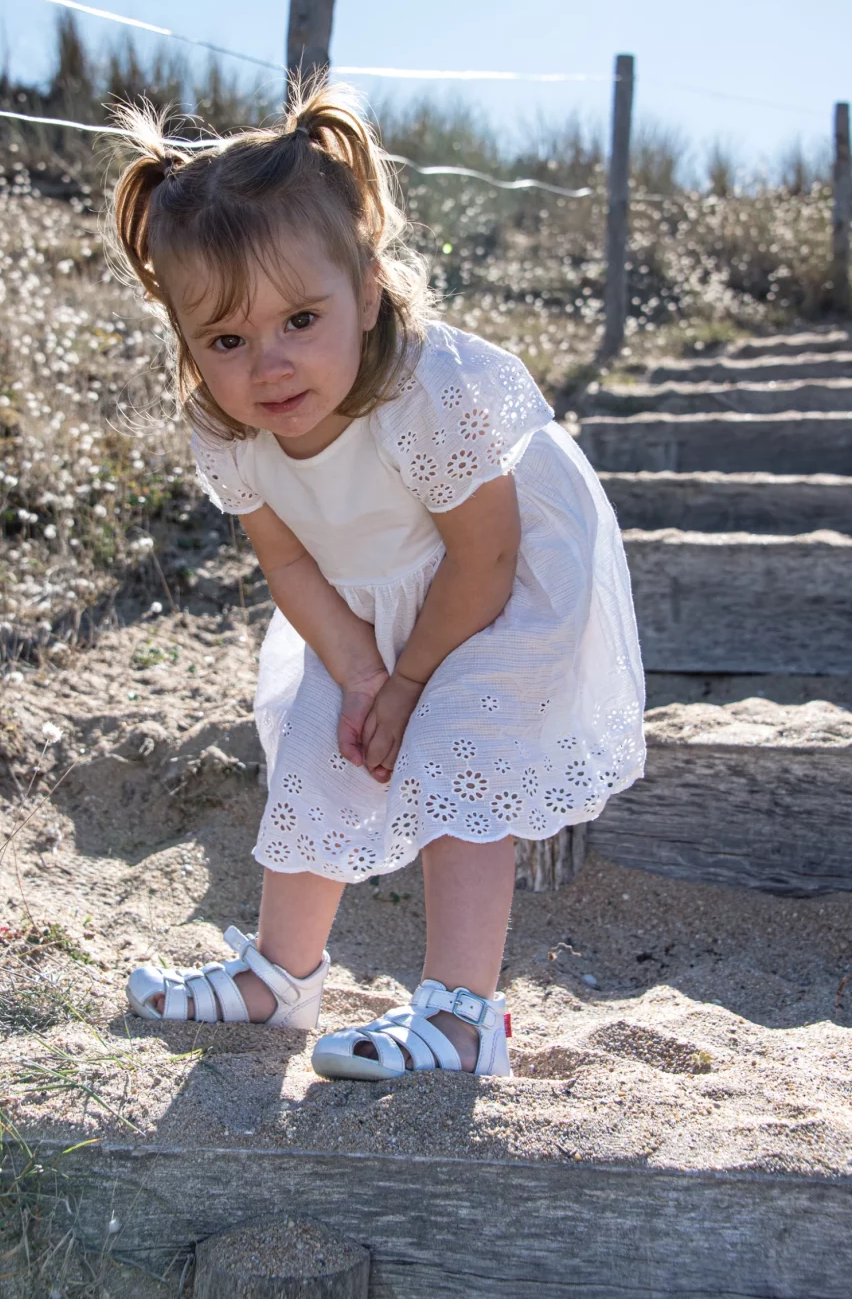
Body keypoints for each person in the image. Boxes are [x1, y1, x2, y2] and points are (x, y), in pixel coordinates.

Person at [116, 85, 645, 1079]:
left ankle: (461, 1017)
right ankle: (280, 977)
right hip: (365, 596)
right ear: (184, 341)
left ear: (364, 291)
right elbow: (285, 559)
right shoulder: (226, 427)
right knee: (319, 750)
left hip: (498, 581)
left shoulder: (417, 390)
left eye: (300, 319)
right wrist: (361, 674)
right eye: (225, 341)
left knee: (452, 751)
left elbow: (484, 556)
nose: (267, 365)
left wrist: (409, 683)